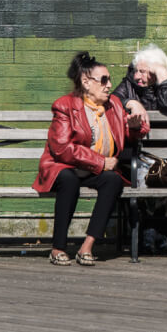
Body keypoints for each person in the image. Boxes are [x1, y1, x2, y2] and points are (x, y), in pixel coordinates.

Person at [33, 51, 149, 266]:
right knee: (69, 180)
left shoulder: (113, 105)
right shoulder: (65, 106)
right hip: (63, 167)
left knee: (113, 180)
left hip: (92, 171)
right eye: (104, 80)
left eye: (109, 79)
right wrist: (101, 162)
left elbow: (126, 136)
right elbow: (62, 149)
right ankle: (58, 247)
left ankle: (87, 246)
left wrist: (134, 129)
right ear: (86, 82)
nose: (109, 84)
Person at [111, 43, 167, 253]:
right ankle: (145, 233)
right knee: (129, 175)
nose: (138, 76)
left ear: (158, 72)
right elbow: (112, 100)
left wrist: (163, 76)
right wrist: (130, 102)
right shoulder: (127, 86)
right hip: (135, 157)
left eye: (145, 72)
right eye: (137, 70)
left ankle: (159, 233)